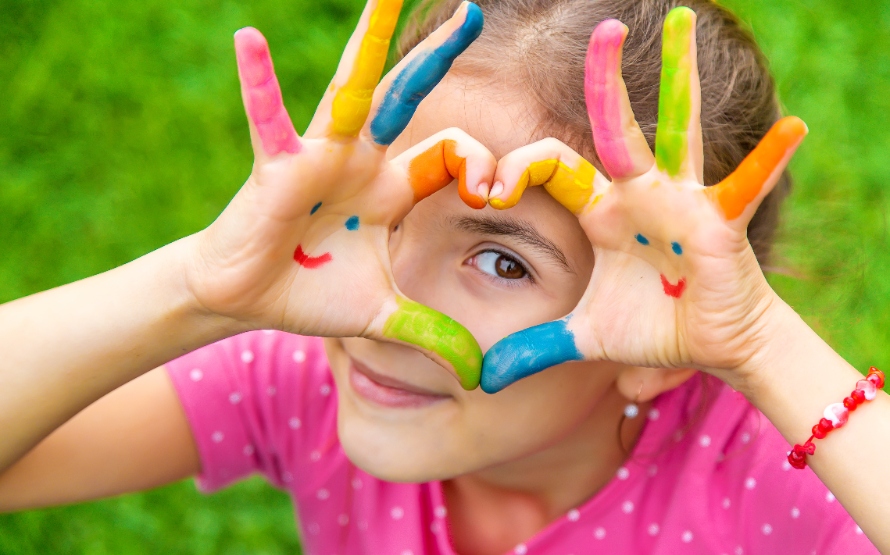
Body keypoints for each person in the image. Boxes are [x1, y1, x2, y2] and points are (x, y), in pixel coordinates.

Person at [0, 0, 886, 553]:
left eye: (502, 259)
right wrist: (201, 284)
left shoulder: (768, 489)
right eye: (384, 219)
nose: (388, 308)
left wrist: (760, 344)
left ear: (665, 330)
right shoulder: (311, 370)